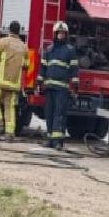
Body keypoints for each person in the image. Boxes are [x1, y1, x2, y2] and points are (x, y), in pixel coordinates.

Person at [0, 21, 30, 141]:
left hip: (0, 82)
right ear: (19, 32)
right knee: (10, 108)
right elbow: (26, 65)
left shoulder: (3, 42)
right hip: (14, 85)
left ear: (9, 30)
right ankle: (10, 133)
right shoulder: (24, 47)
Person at [39, 21, 79, 149]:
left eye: (63, 33)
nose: (61, 35)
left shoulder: (70, 50)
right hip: (50, 87)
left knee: (59, 114)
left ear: (66, 35)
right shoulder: (49, 50)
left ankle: (58, 141)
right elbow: (43, 67)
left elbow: (74, 69)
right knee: (49, 114)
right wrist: (39, 82)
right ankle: (51, 138)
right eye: (59, 33)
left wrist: (75, 85)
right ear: (55, 34)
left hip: (62, 88)